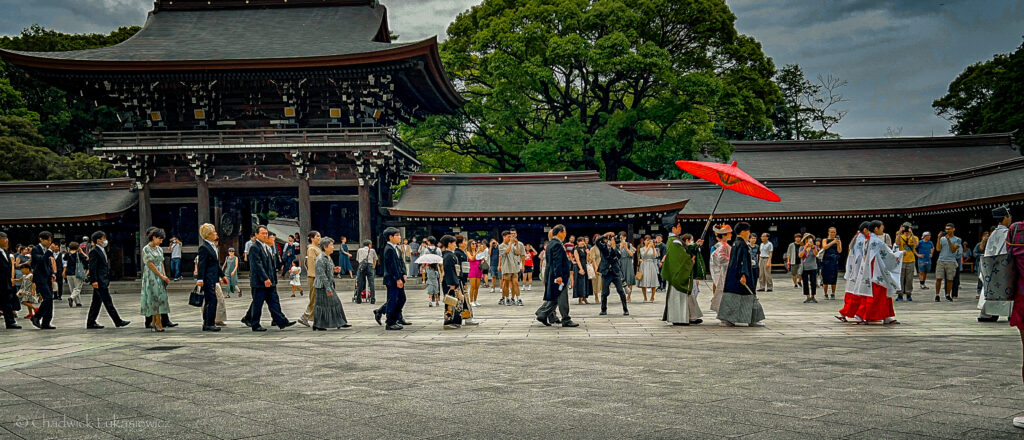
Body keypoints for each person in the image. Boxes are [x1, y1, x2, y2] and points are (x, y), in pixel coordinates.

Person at [244, 225, 296, 332]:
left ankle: (282, 321)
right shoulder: (254, 247)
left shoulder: (265, 247)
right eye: (262, 233)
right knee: (258, 303)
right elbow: (257, 265)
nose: (265, 235)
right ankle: (255, 324)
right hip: (260, 281)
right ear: (256, 235)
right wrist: (265, 278)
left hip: (270, 281)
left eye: (266, 233)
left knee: (274, 301)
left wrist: (272, 278)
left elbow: (270, 265)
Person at [853, 220, 902, 325]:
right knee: (876, 294)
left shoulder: (869, 239)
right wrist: (900, 253)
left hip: (872, 269)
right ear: (876, 228)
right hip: (876, 270)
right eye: (881, 227)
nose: (882, 229)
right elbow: (889, 255)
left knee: (881, 293)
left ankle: (886, 315)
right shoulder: (876, 241)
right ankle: (863, 315)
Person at [717, 222, 765, 327]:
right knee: (749, 296)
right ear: (743, 232)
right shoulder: (742, 245)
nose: (749, 234)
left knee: (732, 297)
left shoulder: (736, 243)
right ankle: (753, 319)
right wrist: (743, 275)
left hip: (733, 276)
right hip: (741, 276)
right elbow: (742, 261)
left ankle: (728, 319)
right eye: (748, 232)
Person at [662, 217, 702, 325]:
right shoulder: (674, 241)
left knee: (687, 296)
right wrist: (690, 260)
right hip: (677, 274)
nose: (680, 228)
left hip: (678, 274)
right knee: (680, 296)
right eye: (679, 226)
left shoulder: (675, 240)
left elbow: (686, 249)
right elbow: (681, 258)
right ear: (673, 228)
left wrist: (695, 245)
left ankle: (690, 316)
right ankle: (679, 318)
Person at [86, 230, 130, 329]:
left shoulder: (102, 250)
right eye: (103, 238)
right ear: (98, 240)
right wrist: (94, 281)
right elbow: (92, 267)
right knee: (107, 302)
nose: (105, 240)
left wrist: (107, 280)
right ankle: (117, 321)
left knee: (96, 303)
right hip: (99, 281)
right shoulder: (94, 251)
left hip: (103, 280)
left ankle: (91, 322)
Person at [536, 225, 577, 327]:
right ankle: (565, 319)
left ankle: (542, 313)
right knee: (562, 296)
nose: (565, 234)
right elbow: (557, 261)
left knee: (554, 297)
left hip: (552, 275)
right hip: (558, 276)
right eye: (564, 232)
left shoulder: (551, 243)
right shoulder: (557, 244)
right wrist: (559, 276)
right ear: (560, 232)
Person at [978, 206, 1014, 322]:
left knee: (991, 290)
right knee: (1007, 290)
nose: (1010, 219)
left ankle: (988, 313)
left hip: (990, 266)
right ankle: (1010, 313)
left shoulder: (993, 234)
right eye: (1009, 216)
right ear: (1005, 218)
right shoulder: (1008, 233)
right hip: (1004, 266)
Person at [374, 227, 410, 330]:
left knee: (401, 299)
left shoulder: (396, 248)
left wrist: (404, 273)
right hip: (392, 279)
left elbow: (400, 262)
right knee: (393, 300)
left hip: (399, 277)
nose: (400, 237)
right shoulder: (388, 249)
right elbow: (391, 266)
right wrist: (397, 278)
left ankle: (394, 316)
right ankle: (390, 322)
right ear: (390, 237)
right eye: (397, 235)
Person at [312, 237, 351, 330]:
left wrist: (334, 269)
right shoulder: (321, 258)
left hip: (328, 284)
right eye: (331, 245)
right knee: (322, 305)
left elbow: (328, 270)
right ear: (325, 247)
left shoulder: (328, 257)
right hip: (322, 286)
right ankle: (318, 324)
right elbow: (322, 275)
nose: (333, 247)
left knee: (335, 303)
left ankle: (340, 321)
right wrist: (328, 288)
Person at [837, 222, 872, 323]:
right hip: (858, 270)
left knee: (852, 293)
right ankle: (856, 314)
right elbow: (860, 256)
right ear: (865, 230)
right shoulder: (861, 239)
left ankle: (846, 313)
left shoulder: (857, 237)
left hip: (853, 270)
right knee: (857, 294)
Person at [196, 223, 225, 332]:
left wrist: (222, 275)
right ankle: (209, 323)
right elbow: (201, 264)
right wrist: (200, 279)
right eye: (214, 232)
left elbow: (216, 264)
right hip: (207, 278)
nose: (216, 233)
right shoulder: (204, 247)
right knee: (211, 300)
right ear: (208, 235)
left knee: (211, 300)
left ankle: (208, 322)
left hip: (213, 277)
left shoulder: (212, 246)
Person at [141, 227, 171, 332]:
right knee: (154, 297)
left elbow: (161, 262)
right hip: (151, 275)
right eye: (160, 239)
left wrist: (164, 275)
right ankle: (157, 322)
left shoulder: (159, 249)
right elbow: (150, 264)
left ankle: (156, 321)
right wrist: (160, 275)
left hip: (159, 274)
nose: (161, 241)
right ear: (154, 238)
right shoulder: (146, 249)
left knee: (161, 297)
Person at [597, 232, 629, 316]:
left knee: (621, 291)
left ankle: (625, 309)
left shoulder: (616, 247)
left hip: (615, 272)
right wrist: (605, 235)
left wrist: (614, 247)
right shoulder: (603, 247)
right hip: (606, 272)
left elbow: (618, 256)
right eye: (608, 240)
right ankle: (603, 309)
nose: (610, 241)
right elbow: (597, 241)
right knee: (604, 292)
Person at [29, 231, 57, 329]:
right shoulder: (36, 249)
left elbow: (48, 263)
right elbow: (41, 260)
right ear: (41, 239)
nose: (49, 242)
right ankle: (36, 317)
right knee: (48, 297)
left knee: (50, 299)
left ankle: (46, 322)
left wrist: (52, 273)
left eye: (50, 240)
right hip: (40, 277)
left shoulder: (46, 249)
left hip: (47, 276)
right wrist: (49, 251)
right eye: (47, 240)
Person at [440, 235, 465, 330]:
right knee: (450, 302)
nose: (455, 245)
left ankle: (455, 320)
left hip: (455, 281)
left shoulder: (450, 254)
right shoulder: (448, 256)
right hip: (451, 282)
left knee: (456, 301)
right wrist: (452, 284)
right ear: (449, 244)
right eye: (454, 243)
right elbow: (449, 271)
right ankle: (448, 321)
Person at [298, 230, 322, 327]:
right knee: (314, 298)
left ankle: (315, 317)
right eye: (317, 236)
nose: (319, 238)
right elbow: (312, 264)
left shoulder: (317, 248)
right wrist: (316, 275)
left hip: (317, 276)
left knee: (317, 298)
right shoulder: (311, 249)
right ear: (312, 238)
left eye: (319, 236)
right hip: (314, 276)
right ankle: (305, 316)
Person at [934, 223, 962, 302]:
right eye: (946, 229)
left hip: (951, 261)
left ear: (953, 229)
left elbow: (953, 249)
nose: (947, 231)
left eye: (949, 229)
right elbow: (938, 249)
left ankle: (947, 294)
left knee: (950, 279)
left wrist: (948, 240)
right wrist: (938, 238)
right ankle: (937, 295)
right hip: (941, 260)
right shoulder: (942, 239)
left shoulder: (957, 239)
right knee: (939, 278)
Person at [894, 222, 919, 301]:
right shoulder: (900, 236)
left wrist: (911, 234)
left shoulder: (915, 237)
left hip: (911, 260)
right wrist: (900, 232)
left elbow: (916, 244)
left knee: (909, 278)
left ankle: (908, 293)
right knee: (900, 278)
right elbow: (897, 243)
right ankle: (900, 294)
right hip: (901, 260)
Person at [709, 225, 732, 312]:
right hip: (722, 273)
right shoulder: (723, 246)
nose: (731, 235)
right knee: (723, 293)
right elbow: (721, 259)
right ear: (724, 235)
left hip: (722, 272)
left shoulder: (723, 245)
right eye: (729, 233)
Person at [0, 232, 20, 329]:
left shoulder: (5, 252)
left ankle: (10, 322)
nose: (6, 241)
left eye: (7, 238)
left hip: (5, 282)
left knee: (7, 302)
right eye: (4, 238)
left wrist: (11, 278)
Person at [498, 231, 523, 306]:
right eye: (508, 237)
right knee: (506, 284)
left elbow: (518, 253)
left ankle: (518, 298)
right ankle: (506, 298)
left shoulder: (512, 245)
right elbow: (507, 251)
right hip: (506, 266)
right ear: (504, 237)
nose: (510, 238)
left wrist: (517, 244)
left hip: (514, 266)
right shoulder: (501, 246)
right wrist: (510, 243)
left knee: (516, 283)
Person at [819, 228, 842, 300]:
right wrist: (833, 242)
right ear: (828, 232)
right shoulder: (825, 240)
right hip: (826, 261)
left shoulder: (838, 240)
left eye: (834, 232)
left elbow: (839, 251)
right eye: (831, 232)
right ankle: (825, 293)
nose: (833, 234)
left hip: (834, 260)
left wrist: (838, 244)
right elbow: (825, 247)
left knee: (834, 278)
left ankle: (833, 293)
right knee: (825, 277)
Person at [353, 240, 378, 304]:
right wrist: (373, 267)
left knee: (360, 283)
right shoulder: (372, 250)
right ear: (369, 245)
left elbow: (358, 259)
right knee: (371, 283)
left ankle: (358, 299)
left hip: (362, 266)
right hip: (370, 266)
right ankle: (372, 299)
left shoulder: (359, 250)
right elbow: (375, 259)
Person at [63, 241, 86, 308]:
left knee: (72, 288)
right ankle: (71, 297)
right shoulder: (78, 254)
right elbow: (87, 259)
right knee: (77, 288)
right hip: (77, 273)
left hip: (68, 273)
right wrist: (82, 252)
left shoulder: (67, 254)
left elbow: (64, 259)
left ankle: (78, 302)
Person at [637, 237, 659, 302]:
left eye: (649, 241)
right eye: (647, 240)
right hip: (644, 264)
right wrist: (648, 247)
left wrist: (653, 248)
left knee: (653, 280)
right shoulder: (641, 249)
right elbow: (643, 255)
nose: (648, 242)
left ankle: (652, 297)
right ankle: (645, 297)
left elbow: (655, 256)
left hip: (651, 264)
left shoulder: (653, 248)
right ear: (644, 241)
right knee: (643, 281)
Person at [798, 234, 820, 303]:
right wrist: (805, 248)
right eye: (807, 239)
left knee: (813, 282)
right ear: (805, 240)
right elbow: (800, 255)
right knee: (805, 282)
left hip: (813, 267)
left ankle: (813, 296)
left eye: (810, 239)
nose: (809, 241)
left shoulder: (815, 247)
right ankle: (807, 296)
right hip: (805, 267)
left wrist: (813, 247)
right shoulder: (801, 247)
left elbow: (816, 255)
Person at [573, 237, 591, 304]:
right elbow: (577, 260)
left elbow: (588, 259)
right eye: (580, 241)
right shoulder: (576, 250)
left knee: (586, 282)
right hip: (579, 267)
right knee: (580, 282)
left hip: (585, 265)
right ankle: (580, 298)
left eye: (583, 241)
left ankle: (585, 298)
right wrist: (581, 268)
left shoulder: (585, 249)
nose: (582, 242)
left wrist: (588, 253)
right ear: (577, 242)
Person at [618, 232, 636, 299]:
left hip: (628, 262)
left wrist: (626, 248)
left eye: (623, 237)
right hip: (621, 262)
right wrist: (620, 247)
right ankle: (622, 296)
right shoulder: (618, 245)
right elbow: (616, 255)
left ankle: (629, 296)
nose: (622, 238)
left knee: (629, 279)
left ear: (625, 237)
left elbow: (632, 254)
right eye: (620, 237)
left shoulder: (629, 244)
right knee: (621, 280)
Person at [468, 241, 485, 307]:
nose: (474, 245)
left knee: (477, 287)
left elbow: (482, 259)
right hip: (472, 270)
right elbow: (472, 259)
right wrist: (477, 252)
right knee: (472, 286)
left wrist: (482, 254)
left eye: (475, 244)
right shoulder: (468, 251)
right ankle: (471, 300)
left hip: (478, 269)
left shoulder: (479, 251)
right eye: (473, 244)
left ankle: (475, 300)